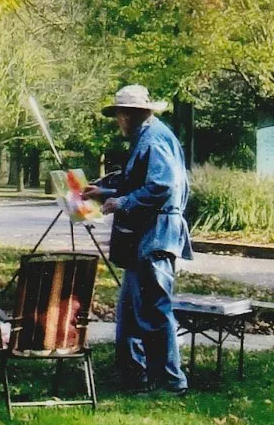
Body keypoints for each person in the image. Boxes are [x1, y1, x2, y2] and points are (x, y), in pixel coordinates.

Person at [83, 84, 193, 396]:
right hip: (143, 236)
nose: (118, 121)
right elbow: (137, 182)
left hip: (156, 234)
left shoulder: (155, 138)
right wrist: (102, 193)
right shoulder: (145, 137)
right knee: (131, 312)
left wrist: (123, 203)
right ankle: (134, 377)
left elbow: (161, 186)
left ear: (132, 114)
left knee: (154, 309)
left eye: (119, 114)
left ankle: (171, 383)